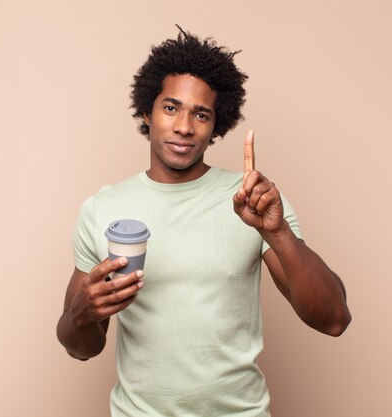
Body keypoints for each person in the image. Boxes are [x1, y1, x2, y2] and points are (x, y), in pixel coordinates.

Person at [57, 26, 351, 417]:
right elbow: (80, 348)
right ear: (147, 110)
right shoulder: (103, 209)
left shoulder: (253, 200)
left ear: (217, 125)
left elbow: (333, 319)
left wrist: (277, 233)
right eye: (171, 107)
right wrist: (82, 313)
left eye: (201, 114)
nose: (184, 126)